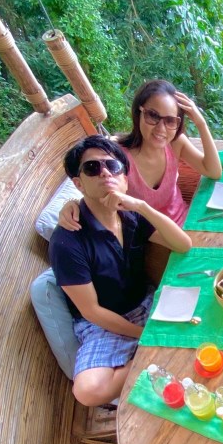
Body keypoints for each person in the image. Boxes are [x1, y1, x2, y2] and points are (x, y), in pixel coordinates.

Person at [48, 135, 191, 407]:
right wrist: (145, 337)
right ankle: (154, 358)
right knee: (88, 391)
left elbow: (182, 244)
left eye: (112, 166)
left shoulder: (131, 215)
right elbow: (92, 311)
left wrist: (142, 206)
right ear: (78, 183)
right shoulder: (67, 241)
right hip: (103, 323)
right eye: (92, 168)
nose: (104, 172)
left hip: (145, 303)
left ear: (125, 178)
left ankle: (151, 358)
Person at [59, 79, 222, 229]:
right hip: (149, 239)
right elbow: (91, 183)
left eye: (170, 120)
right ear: (139, 113)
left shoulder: (175, 143)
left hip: (186, 224)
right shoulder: (116, 154)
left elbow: (213, 171)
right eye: (153, 116)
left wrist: (201, 123)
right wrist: (72, 204)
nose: (161, 128)